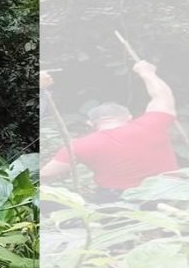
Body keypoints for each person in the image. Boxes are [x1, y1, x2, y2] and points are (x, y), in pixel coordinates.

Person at [39, 60, 179, 201]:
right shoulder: (151, 124)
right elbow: (162, 96)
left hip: (117, 199)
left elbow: (45, 174)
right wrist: (147, 73)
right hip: (170, 193)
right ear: (129, 117)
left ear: (90, 124)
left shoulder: (79, 146)